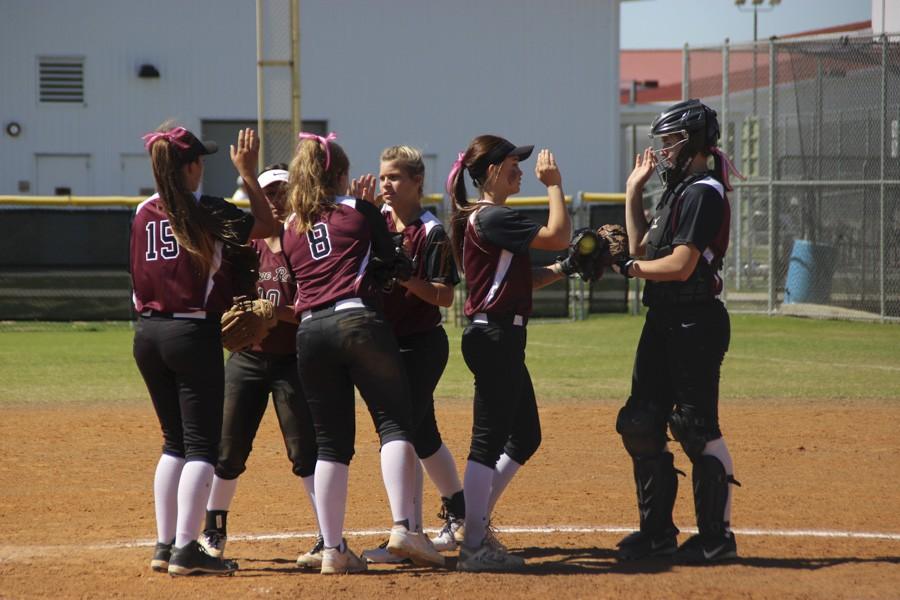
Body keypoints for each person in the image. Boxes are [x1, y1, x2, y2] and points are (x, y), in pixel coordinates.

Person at [282, 132, 446, 574]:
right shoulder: (359, 210)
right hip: (358, 321)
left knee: (331, 445)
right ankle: (404, 528)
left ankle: (333, 550)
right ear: (339, 173)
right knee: (395, 423)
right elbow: (394, 263)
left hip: (309, 331)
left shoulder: (292, 224)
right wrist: (368, 214)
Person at [131, 124, 276, 575]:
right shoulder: (207, 210)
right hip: (191, 333)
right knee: (201, 448)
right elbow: (268, 227)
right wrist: (249, 176)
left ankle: (164, 545)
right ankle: (187, 549)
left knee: (174, 442)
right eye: (201, 161)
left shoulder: (141, 211)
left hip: (147, 334)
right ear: (191, 166)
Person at [614, 98, 741, 564]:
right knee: (640, 422)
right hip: (663, 319)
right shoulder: (676, 190)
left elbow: (682, 265)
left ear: (691, 142)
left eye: (669, 142)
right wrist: (633, 193)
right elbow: (641, 247)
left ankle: (716, 538)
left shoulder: (705, 191)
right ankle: (657, 532)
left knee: (695, 427)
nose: (663, 150)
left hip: (695, 322)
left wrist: (630, 270)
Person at [447, 135, 571, 571]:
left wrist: (565, 269)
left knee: (525, 436)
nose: (520, 168)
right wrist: (554, 184)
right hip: (495, 337)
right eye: (513, 163)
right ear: (493, 171)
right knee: (487, 442)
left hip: (499, 337)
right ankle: (473, 543)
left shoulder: (484, 217)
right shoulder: (495, 215)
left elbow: (521, 278)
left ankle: (471, 525)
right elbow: (557, 234)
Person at [196, 164, 324, 569]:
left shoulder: (299, 241)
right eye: (268, 191)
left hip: (292, 360)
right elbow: (222, 299)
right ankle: (213, 529)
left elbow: (314, 309)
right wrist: (236, 316)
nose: (274, 198)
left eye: (281, 190)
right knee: (228, 447)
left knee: (304, 449)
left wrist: (277, 312)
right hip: (246, 359)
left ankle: (328, 533)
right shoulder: (243, 246)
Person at [352, 146, 465, 564]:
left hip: (420, 345)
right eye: (383, 177)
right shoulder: (375, 223)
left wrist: (408, 279)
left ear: (417, 181)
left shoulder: (431, 231)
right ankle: (459, 511)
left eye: (395, 177)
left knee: (398, 430)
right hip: (382, 343)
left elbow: (446, 296)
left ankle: (408, 533)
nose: (386, 184)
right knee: (423, 433)